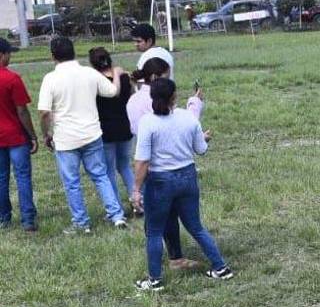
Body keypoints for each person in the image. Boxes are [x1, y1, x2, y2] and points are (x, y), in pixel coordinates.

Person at [132, 78, 233, 291]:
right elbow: (201, 149)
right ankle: (221, 267)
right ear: (174, 96)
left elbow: (142, 161)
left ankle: (155, 280)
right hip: (187, 177)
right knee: (195, 227)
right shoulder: (188, 118)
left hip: (160, 181)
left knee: (155, 232)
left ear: (152, 97)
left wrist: (136, 190)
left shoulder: (148, 122)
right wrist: (203, 138)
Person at [37, 36, 127, 233]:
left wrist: (46, 133)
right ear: (74, 52)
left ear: (53, 57)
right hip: (92, 134)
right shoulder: (89, 73)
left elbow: (44, 112)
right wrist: (117, 74)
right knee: (101, 176)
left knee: (72, 183)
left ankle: (81, 222)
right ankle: (117, 215)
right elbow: (112, 92)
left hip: (66, 139)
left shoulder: (50, 79)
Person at [127, 56, 204, 270]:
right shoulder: (155, 109)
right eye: (166, 79)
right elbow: (179, 124)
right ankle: (172, 258)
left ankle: (160, 264)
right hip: (167, 168)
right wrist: (195, 105)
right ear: (155, 78)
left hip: (152, 167)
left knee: (157, 218)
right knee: (166, 218)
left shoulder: (134, 101)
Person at [89, 47, 137, 216]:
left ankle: (116, 207)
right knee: (124, 166)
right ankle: (138, 201)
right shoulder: (123, 77)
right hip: (125, 126)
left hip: (106, 131)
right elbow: (131, 95)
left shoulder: (95, 82)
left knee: (108, 170)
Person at [0, 37, 38, 231]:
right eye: (8, 54)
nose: (10, 57)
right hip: (15, 136)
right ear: (2, 55)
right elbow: (22, 110)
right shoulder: (12, 78)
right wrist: (32, 135)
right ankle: (28, 219)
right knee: (22, 176)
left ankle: (4, 217)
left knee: (1, 177)